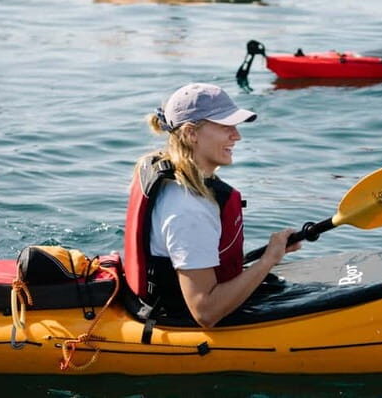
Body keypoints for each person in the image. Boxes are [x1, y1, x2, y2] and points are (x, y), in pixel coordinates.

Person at [123, 83, 300, 329]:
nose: (236, 136)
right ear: (190, 133)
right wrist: (268, 259)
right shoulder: (188, 207)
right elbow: (205, 312)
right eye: (225, 126)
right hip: (180, 319)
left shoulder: (176, 174)